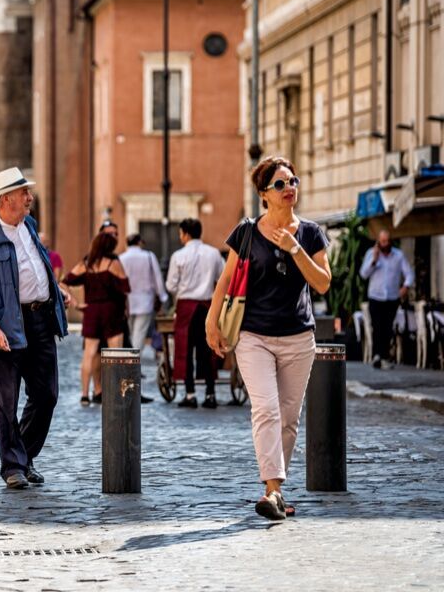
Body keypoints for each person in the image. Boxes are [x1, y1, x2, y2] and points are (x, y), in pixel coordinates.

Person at [206, 157, 331, 521]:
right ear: (263, 194)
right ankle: (274, 490)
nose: (289, 188)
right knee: (267, 409)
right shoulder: (246, 232)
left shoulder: (309, 233)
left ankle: (273, 493)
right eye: (280, 184)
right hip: (253, 335)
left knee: (289, 418)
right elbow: (226, 280)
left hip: (298, 338)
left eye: (292, 181)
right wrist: (211, 323)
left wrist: (295, 249)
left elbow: (322, 282)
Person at [0, 167, 69, 489]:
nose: (30, 197)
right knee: (6, 401)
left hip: (40, 320)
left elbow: (37, 267)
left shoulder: (29, 226)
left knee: (46, 395)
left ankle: (23, 456)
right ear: (5, 199)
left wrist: (55, 291)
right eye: (24, 192)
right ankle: (13, 467)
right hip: (6, 324)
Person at [65, 233, 130, 406]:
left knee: (89, 354)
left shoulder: (86, 263)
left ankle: (85, 394)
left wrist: (75, 303)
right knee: (115, 354)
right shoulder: (113, 263)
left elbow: (64, 282)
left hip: (91, 311)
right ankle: (116, 393)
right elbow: (125, 287)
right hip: (112, 311)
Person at [166, 218, 225, 409]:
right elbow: (222, 278)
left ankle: (190, 394)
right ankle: (210, 394)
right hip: (208, 306)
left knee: (185, 350)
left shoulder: (178, 256)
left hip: (186, 307)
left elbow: (171, 285)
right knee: (209, 350)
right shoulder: (214, 253)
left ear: (185, 234)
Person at [359, 229, 413, 368]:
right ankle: (377, 356)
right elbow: (363, 274)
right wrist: (374, 260)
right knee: (377, 326)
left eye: (387, 241)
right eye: (383, 241)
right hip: (375, 297)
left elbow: (409, 274)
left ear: (391, 241)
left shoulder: (398, 255)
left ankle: (384, 357)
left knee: (387, 328)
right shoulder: (371, 254)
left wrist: (405, 287)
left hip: (391, 298)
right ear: (378, 242)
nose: (385, 243)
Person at [120, 234, 169, 355]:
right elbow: (157, 278)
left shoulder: (121, 258)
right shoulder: (148, 256)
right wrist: (162, 296)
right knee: (139, 334)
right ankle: (134, 364)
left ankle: (130, 363)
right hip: (145, 300)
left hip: (126, 301)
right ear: (140, 242)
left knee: (130, 333)